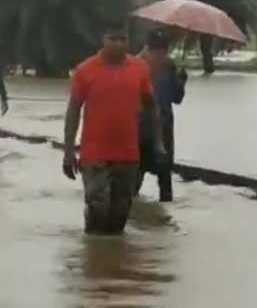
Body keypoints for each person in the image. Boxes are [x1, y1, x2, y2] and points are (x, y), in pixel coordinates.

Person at [63, 21, 165, 235]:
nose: (118, 44)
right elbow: (73, 111)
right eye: (113, 39)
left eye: (123, 39)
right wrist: (69, 151)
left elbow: (151, 106)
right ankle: (92, 256)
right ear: (103, 40)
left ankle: (111, 262)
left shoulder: (139, 69)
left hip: (127, 153)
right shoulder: (85, 70)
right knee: (98, 207)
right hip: (94, 154)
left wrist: (158, 142)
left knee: (119, 215)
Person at [136, 30, 187, 202]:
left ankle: (165, 218)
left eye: (163, 51)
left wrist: (181, 82)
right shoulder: (134, 67)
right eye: (155, 50)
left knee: (165, 176)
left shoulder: (169, 66)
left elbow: (177, 98)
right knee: (135, 176)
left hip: (164, 127)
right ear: (146, 49)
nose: (159, 55)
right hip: (140, 128)